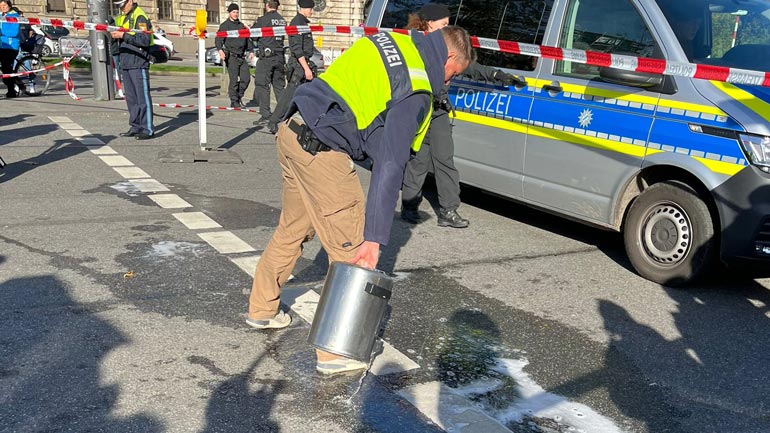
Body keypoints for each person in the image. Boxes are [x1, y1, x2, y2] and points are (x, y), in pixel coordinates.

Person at [245, 25, 474, 375]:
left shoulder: (393, 40)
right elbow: (390, 165)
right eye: (453, 74)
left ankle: (262, 309)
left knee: (293, 228)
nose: (449, 83)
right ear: (450, 57)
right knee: (351, 250)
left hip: (292, 131)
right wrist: (374, 238)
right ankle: (336, 351)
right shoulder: (415, 87)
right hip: (322, 151)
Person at [400, 4, 521, 228]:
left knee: (445, 160)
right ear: (428, 23)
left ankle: (448, 210)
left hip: (438, 112)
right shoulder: (414, 44)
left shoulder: (447, 46)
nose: (448, 27)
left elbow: (469, 66)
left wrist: (497, 74)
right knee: (418, 160)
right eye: (444, 24)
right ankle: (409, 205)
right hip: (418, 108)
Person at [264, 0, 316, 134]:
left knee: (306, 96)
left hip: (304, 63)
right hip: (299, 66)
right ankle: (274, 122)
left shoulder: (303, 22)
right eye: (310, 8)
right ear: (303, 8)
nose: (312, 11)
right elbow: (297, 49)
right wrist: (306, 68)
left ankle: (305, 124)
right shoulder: (297, 23)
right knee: (289, 96)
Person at [110, 0, 155, 140]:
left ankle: (147, 129)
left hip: (138, 61)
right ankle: (135, 126)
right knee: (131, 98)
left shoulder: (139, 16)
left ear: (130, 1)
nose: (121, 7)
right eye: (118, 5)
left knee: (143, 98)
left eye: (123, 4)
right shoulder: (121, 17)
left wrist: (123, 35)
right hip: (126, 61)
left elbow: (144, 40)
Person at [250, 0, 286, 125]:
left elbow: (253, 35)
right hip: (279, 57)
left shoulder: (262, 20)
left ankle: (265, 114)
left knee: (262, 85)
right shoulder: (282, 20)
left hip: (266, 58)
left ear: (267, 5)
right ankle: (284, 115)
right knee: (279, 87)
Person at [216, 3, 255, 108]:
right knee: (233, 80)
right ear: (229, 13)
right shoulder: (225, 25)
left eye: (237, 12)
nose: (236, 14)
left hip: (242, 57)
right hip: (232, 57)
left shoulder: (241, 26)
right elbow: (218, 39)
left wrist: (251, 51)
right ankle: (234, 101)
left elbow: (247, 39)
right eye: (233, 12)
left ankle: (238, 95)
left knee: (246, 79)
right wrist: (220, 50)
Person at [0, 0, 20, 98]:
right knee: (5, 68)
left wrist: (1, 32)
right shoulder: (1, 16)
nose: (3, 7)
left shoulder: (14, 16)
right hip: (1, 46)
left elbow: (14, 32)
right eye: (1, 6)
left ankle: (11, 90)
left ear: (9, 6)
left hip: (11, 46)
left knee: (6, 68)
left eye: (4, 5)